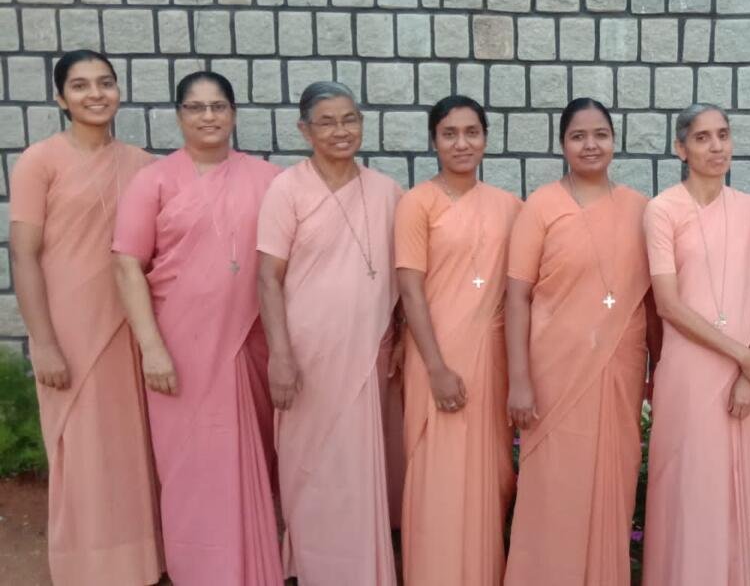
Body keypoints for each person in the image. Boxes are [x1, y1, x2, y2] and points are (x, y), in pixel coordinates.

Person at [112, 71, 283, 586]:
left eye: (218, 106)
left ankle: (255, 568)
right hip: (179, 349)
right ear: (179, 116)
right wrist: (151, 348)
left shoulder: (270, 179)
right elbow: (127, 265)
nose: (208, 116)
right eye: (196, 107)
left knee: (252, 458)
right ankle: (202, 570)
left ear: (233, 113)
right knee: (191, 464)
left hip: (251, 343)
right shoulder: (154, 181)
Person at [10, 49, 162, 585]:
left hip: (132, 325)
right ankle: (87, 568)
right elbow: (23, 254)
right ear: (60, 98)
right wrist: (44, 342)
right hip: (70, 329)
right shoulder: (39, 162)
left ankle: (141, 562)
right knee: (81, 450)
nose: (95, 94)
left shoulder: (144, 165)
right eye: (80, 85)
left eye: (105, 82)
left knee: (131, 447)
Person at [504, 98, 661, 585]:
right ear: (562, 145)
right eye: (578, 136)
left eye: (600, 134)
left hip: (620, 367)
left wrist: (659, 372)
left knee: (613, 479)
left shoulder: (640, 209)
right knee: (555, 484)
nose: (590, 145)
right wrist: (519, 381)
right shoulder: (540, 206)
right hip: (553, 372)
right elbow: (516, 297)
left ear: (614, 141)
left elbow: (653, 300)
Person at [257, 82, 403, 586]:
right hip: (306, 357)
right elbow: (267, 277)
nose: (341, 131)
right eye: (327, 122)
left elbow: (404, 276)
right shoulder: (287, 189)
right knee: (310, 466)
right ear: (305, 131)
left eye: (350, 119)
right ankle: (316, 569)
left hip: (366, 354)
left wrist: (401, 336)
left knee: (357, 468)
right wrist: (280, 355)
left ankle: (362, 570)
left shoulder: (387, 191)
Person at [641, 104, 750, 586]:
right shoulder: (662, 211)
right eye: (702, 138)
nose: (716, 147)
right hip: (689, 372)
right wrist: (745, 357)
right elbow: (668, 305)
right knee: (688, 487)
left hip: (744, 377)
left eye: (723, 135)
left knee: (734, 494)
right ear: (681, 149)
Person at [397, 95, 522, 585]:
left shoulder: (510, 207)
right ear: (433, 141)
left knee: (489, 476)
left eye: (472, 132)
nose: (461, 143)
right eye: (449, 134)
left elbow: (525, 287)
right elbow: (409, 289)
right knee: (439, 478)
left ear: (486, 139)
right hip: (436, 359)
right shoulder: (417, 204)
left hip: (490, 360)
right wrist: (436, 368)